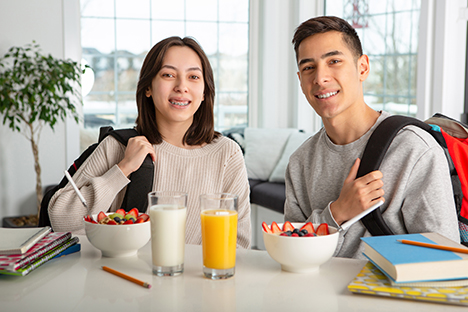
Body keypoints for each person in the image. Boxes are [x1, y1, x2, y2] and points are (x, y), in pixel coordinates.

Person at [49, 36, 251, 249]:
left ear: (204, 92)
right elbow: (62, 222)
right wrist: (122, 169)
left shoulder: (227, 153)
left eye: (193, 77)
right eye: (168, 75)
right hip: (122, 278)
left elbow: (239, 243)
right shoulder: (119, 146)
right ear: (148, 88)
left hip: (196, 279)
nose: (181, 86)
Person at [284, 16, 460, 258]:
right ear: (301, 80)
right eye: (308, 68)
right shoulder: (300, 163)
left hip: (390, 296)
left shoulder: (414, 150)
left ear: (362, 68)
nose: (320, 78)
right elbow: (292, 254)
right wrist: (337, 213)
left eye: (334, 61)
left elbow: (444, 257)